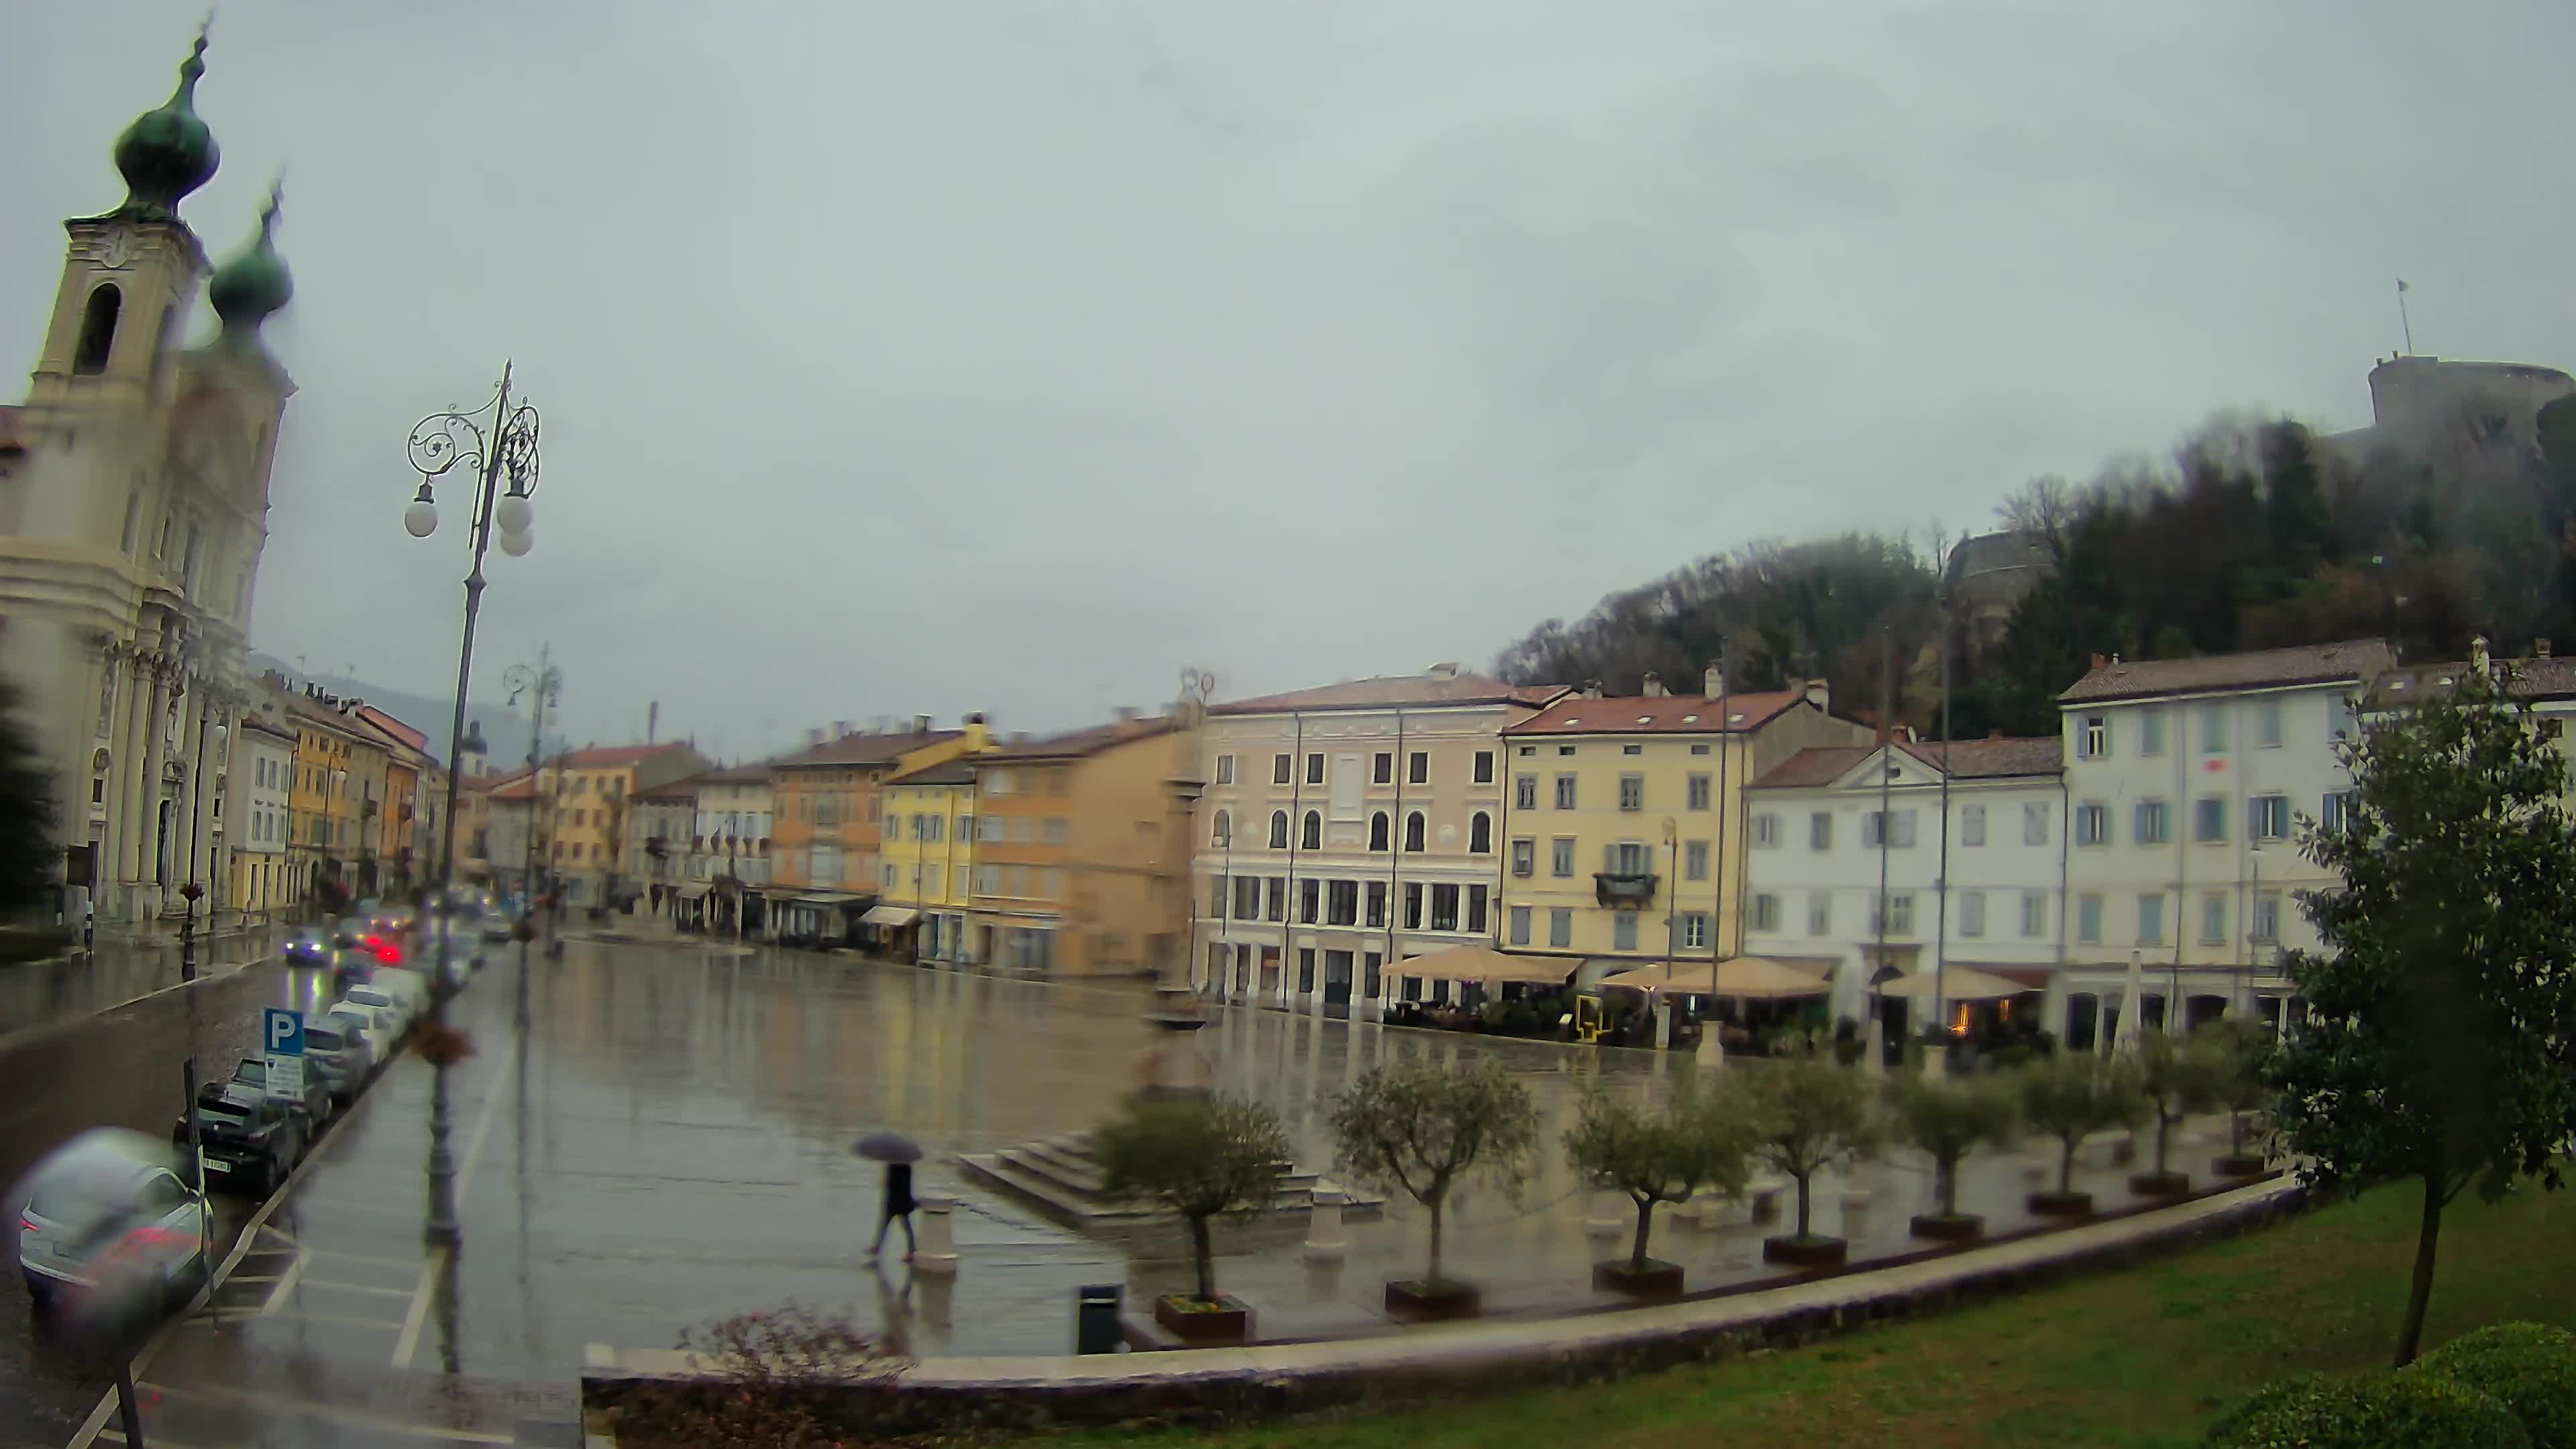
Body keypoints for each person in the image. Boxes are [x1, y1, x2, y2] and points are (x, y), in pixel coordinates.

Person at [867, 1160, 918, 1260]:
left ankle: (911, 1251)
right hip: (898, 1201)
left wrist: (887, 1180)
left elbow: (895, 1185)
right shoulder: (904, 1167)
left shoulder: (897, 1167)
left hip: (897, 1201)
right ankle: (911, 1251)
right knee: (894, 1226)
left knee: (903, 1226)